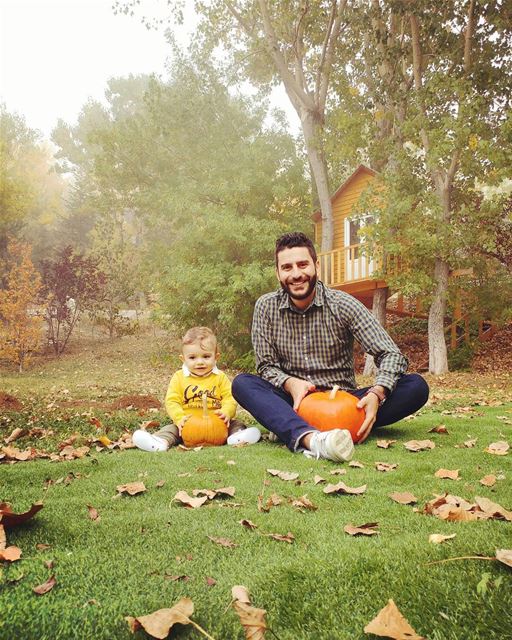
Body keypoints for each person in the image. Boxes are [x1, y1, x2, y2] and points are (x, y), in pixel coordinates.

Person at [232, 232, 429, 463]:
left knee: (416, 386)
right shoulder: (266, 307)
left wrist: (378, 392)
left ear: (316, 265)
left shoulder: (342, 304)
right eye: (287, 267)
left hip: (345, 403)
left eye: (303, 264)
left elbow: (390, 354)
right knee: (243, 383)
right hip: (294, 402)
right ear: (278, 273)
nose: (296, 274)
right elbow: (266, 366)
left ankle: (291, 425)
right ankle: (312, 439)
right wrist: (290, 383)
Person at [132, 326, 261, 451]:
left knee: (236, 424)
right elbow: (172, 401)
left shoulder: (220, 377)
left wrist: (226, 412)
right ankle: (160, 442)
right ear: (183, 359)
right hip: (187, 424)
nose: (200, 362)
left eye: (206, 356)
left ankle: (237, 436)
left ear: (216, 357)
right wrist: (179, 417)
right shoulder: (179, 378)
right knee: (171, 429)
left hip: (218, 424)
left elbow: (229, 397)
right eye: (192, 357)